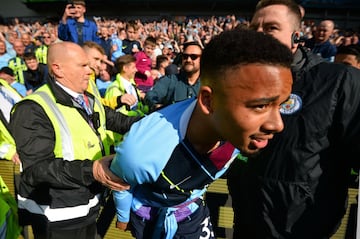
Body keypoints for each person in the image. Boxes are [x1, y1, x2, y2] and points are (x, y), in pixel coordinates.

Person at [109, 28, 294, 239]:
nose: (278, 125)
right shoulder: (141, 152)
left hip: (193, 215)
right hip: (150, 222)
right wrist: (124, 218)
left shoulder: (235, 130)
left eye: (281, 105)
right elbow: (120, 182)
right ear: (208, 101)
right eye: (260, 106)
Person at [227, 1, 360, 238]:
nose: (259, 34)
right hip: (247, 220)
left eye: (270, 28)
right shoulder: (242, 82)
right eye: (254, 27)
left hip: (303, 227)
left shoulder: (338, 80)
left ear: (296, 36)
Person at [10, 41, 141, 239]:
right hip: (59, 216)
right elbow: (36, 169)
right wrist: (93, 170)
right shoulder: (32, 108)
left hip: (89, 202)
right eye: (83, 65)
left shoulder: (88, 98)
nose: (90, 71)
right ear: (57, 68)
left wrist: (165, 122)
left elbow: (121, 122)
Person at [144, 41, 202, 112]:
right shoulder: (170, 80)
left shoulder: (208, 83)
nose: (188, 60)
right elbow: (151, 96)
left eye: (194, 57)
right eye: (185, 56)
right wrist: (157, 106)